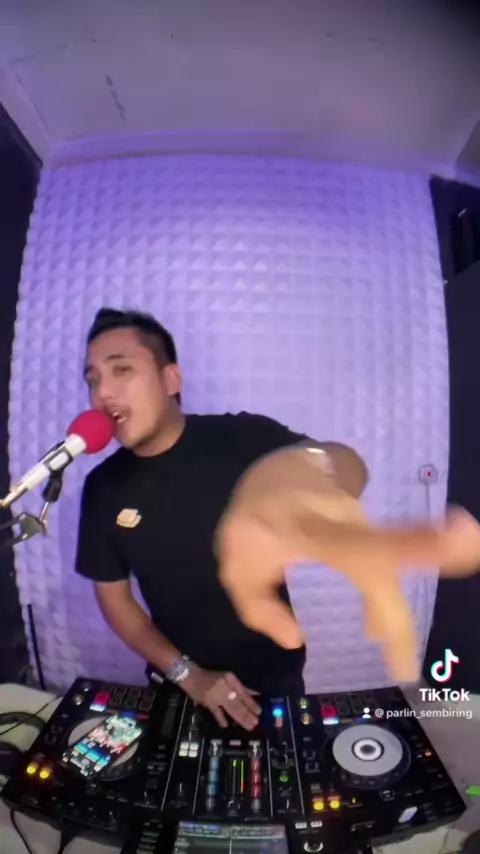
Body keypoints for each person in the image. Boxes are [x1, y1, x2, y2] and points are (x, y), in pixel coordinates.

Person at [76, 307, 480, 730]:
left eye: (121, 370)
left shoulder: (244, 437)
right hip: (177, 685)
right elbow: (115, 600)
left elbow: (347, 466)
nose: (103, 393)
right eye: (93, 379)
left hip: (275, 681)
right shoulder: (104, 487)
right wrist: (188, 675)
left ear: (171, 379)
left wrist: (300, 476)